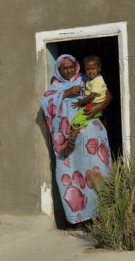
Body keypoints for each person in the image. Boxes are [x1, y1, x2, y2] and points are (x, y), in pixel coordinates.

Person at [41, 54, 112, 225]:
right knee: (74, 175)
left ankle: (103, 216)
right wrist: (65, 93)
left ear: (77, 66)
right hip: (68, 143)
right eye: (64, 68)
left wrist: (98, 106)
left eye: (71, 67)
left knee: (97, 173)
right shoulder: (55, 87)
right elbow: (45, 103)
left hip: (92, 140)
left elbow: (107, 95)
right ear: (59, 70)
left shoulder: (85, 79)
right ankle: (81, 219)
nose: (69, 70)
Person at [69, 55, 107, 148]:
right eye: (88, 69)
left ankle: (72, 139)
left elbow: (92, 96)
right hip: (93, 105)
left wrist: (80, 103)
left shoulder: (98, 80)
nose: (90, 71)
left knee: (78, 118)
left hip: (94, 105)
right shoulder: (90, 79)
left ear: (99, 68)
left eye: (93, 68)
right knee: (83, 118)